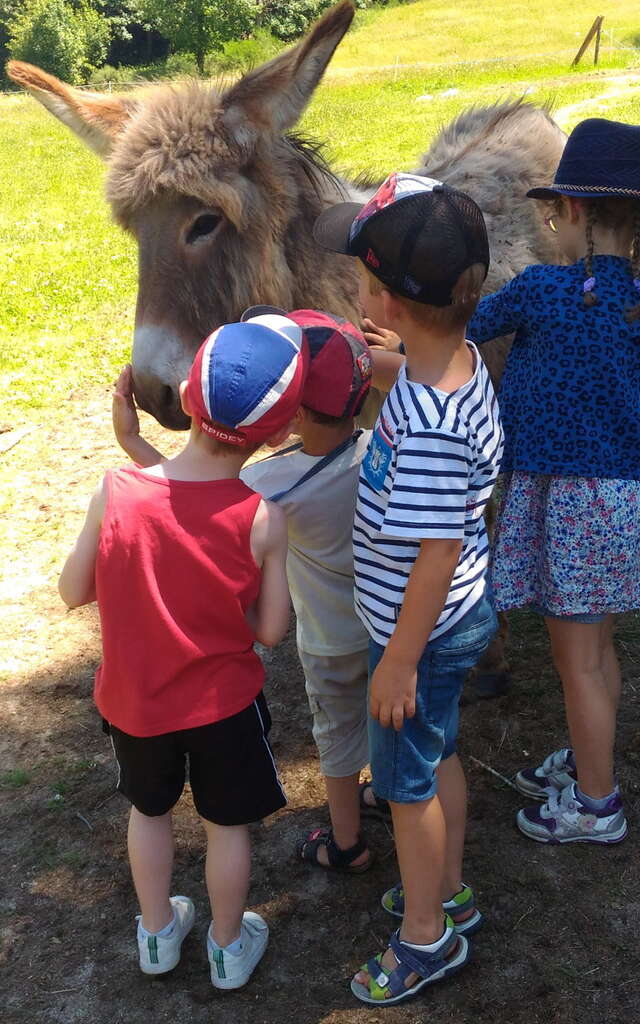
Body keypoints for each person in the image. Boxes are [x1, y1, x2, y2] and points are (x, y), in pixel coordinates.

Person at [58, 315, 308, 990]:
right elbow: (271, 631)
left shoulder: (116, 491)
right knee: (227, 827)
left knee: (150, 812)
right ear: (280, 431)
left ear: (188, 399)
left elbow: (72, 589)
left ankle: (158, 936)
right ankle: (228, 947)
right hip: (223, 708)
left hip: (136, 703)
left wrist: (132, 445)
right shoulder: (263, 518)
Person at [313, 173, 503, 1005]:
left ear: (386, 295)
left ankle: (425, 937)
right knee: (439, 751)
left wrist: (397, 661)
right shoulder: (451, 366)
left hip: (419, 632)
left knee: (405, 784)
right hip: (458, 617)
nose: (358, 290)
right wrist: (387, 364)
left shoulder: (425, 426)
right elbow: (420, 392)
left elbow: (435, 550)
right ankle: (449, 883)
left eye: (364, 277)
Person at [113, 307, 391, 873]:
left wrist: (134, 445)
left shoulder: (271, 485)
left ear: (290, 414)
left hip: (330, 640)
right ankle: (388, 787)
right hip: (390, 628)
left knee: (337, 738)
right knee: (387, 716)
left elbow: (192, 502)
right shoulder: (381, 451)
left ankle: (346, 842)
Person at [463, 118, 640, 845]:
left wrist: (389, 352)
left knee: (577, 662)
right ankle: (590, 756)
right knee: (597, 653)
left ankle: (595, 804)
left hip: (565, 501)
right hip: (619, 500)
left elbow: (460, 329)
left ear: (570, 211)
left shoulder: (540, 290)